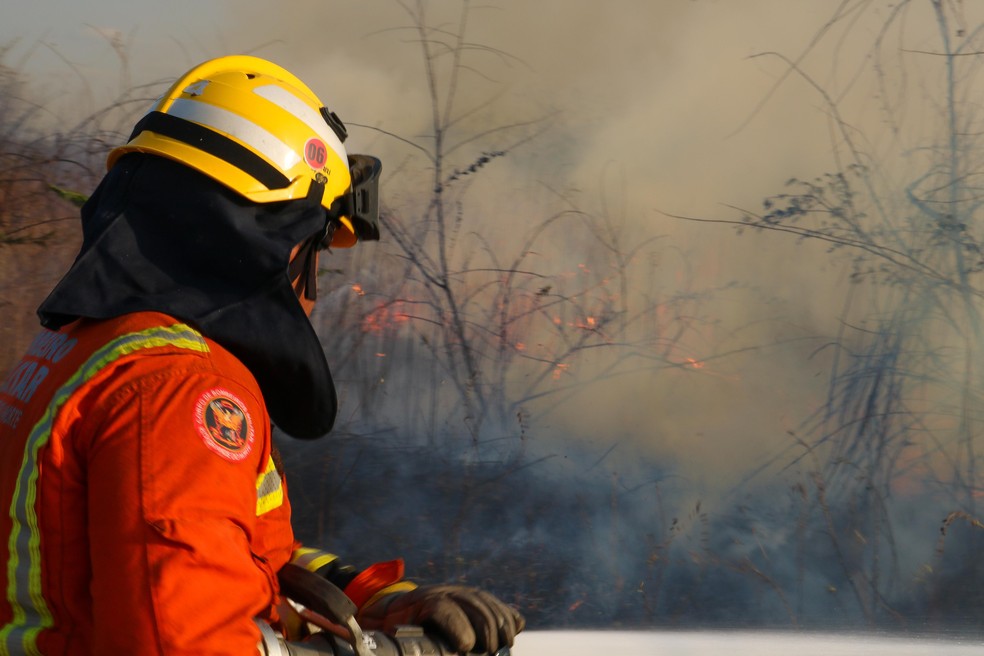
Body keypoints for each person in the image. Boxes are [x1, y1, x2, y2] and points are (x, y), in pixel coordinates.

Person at [0, 55, 523, 655]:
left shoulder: (89, 346)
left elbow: (231, 544)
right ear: (278, 238)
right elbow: (181, 644)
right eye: (317, 246)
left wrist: (378, 599)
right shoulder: (176, 390)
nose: (312, 287)